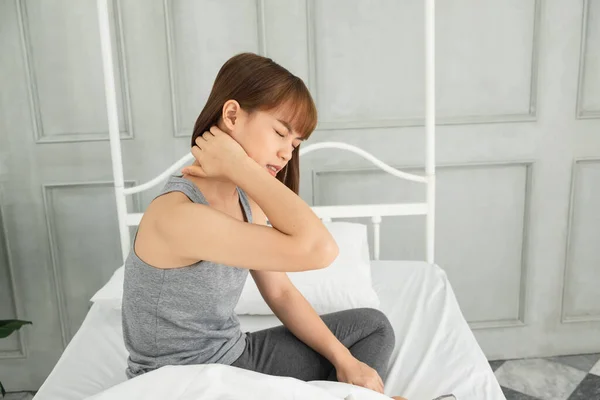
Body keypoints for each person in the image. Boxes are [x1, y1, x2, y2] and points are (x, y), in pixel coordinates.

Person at [122, 52, 407, 400]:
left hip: (233, 357)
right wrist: (241, 167)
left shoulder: (245, 201)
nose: (288, 153)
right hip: (183, 385)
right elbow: (320, 250)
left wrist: (345, 360)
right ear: (231, 115)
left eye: (296, 143)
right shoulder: (178, 215)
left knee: (373, 327)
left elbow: (280, 292)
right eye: (280, 133)